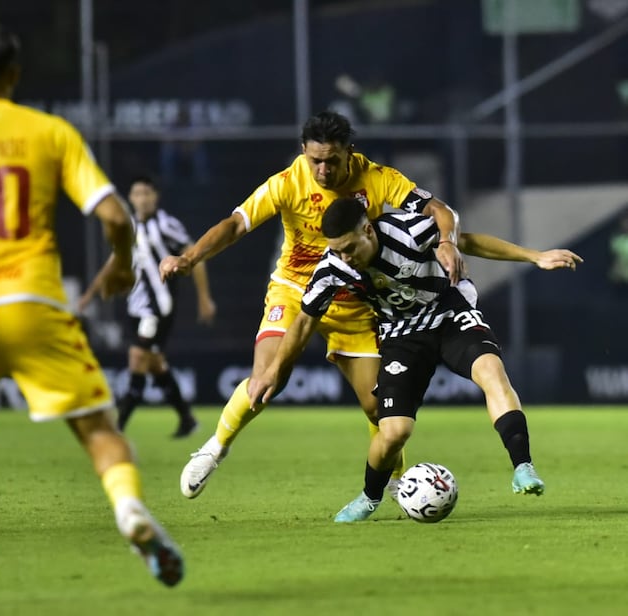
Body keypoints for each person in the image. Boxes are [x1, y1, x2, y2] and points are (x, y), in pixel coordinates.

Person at [0, 21, 183, 608]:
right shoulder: (49, 132)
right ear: (14, 75)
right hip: (34, 302)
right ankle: (129, 512)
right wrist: (123, 264)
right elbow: (115, 218)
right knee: (98, 430)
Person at [160, 110, 464, 500]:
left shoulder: (377, 178)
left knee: (379, 406)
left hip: (353, 300)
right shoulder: (288, 183)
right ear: (304, 151)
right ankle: (214, 447)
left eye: (331, 161)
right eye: (314, 159)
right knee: (267, 377)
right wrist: (189, 258)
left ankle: (395, 480)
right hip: (294, 290)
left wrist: (447, 241)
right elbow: (236, 224)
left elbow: (441, 210)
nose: (322, 169)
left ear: (349, 153)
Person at [248, 197, 583, 522]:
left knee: (491, 371)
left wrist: (534, 257)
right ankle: (370, 497)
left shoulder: (408, 230)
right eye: (337, 250)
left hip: (449, 313)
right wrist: (275, 370)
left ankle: (523, 467)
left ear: (368, 231)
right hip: (401, 335)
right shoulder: (332, 268)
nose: (344, 257)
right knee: (393, 432)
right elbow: (305, 321)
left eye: (349, 248)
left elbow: (464, 237)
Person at [80, 175, 216, 438]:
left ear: (155, 196)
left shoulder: (167, 225)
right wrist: (90, 293)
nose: (142, 198)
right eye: (137, 193)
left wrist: (204, 297)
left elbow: (195, 256)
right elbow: (114, 262)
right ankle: (187, 419)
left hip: (158, 307)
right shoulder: (129, 227)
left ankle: (116, 428)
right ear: (130, 198)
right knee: (155, 364)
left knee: (138, 358)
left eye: (146, 193)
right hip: (136, 307)